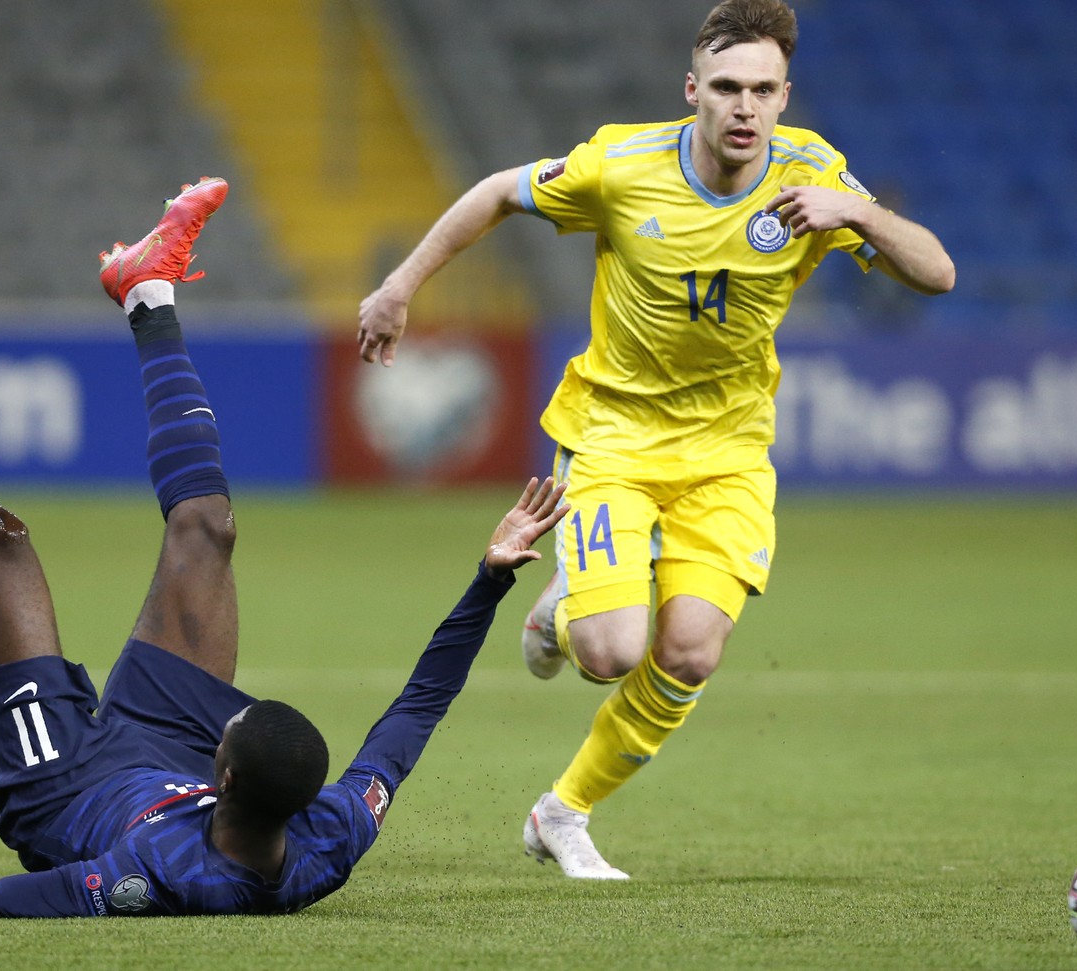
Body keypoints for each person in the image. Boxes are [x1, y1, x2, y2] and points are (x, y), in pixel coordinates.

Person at [0, 179, 568, 918]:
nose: (232, 702)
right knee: (209, 527)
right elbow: (416, 709)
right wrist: (489, 579)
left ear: (227, 772)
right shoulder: (333, 830)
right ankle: (148, 291)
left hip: (59, 784)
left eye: (235, 720)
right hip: (166, 750)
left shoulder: (159, 873)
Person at [356, 0, 955, 880]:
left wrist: (856, 213)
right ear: (692, 92)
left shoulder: (814, 175)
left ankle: (562, 812)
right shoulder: (623, 164)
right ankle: (567, 606)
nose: (744, 107)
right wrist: (401, 285)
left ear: (785, 96)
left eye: (762, 89)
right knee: (610, 653)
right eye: (725, 88)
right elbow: (495, 192)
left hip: (731, 456)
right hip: (614, 440)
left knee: (691, 651)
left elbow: (936, 272)